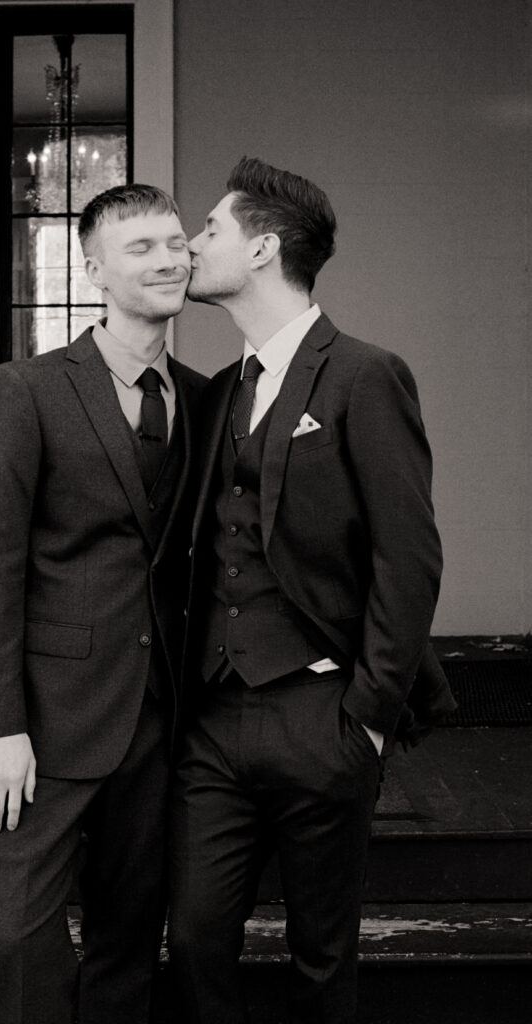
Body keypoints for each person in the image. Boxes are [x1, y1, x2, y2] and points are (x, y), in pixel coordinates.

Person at [167, 157, 456, 1024]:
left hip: (321, 712)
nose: (192, 242)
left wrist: (366, 718)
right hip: (214, 721)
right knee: (194, 938)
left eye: (210, 228)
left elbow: (409, 560)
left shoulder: (365, 375)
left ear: (262, 248)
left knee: (321, 956)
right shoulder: (220, 394)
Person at [0, 183, 206, 1024]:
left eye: (176, 242)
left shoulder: (205, 400)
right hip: (45, 720)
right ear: (93, 269)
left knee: (129, 940)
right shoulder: (24, 390)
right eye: (141, 248)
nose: (169, 258)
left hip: (158, 718)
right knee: (24, 938)